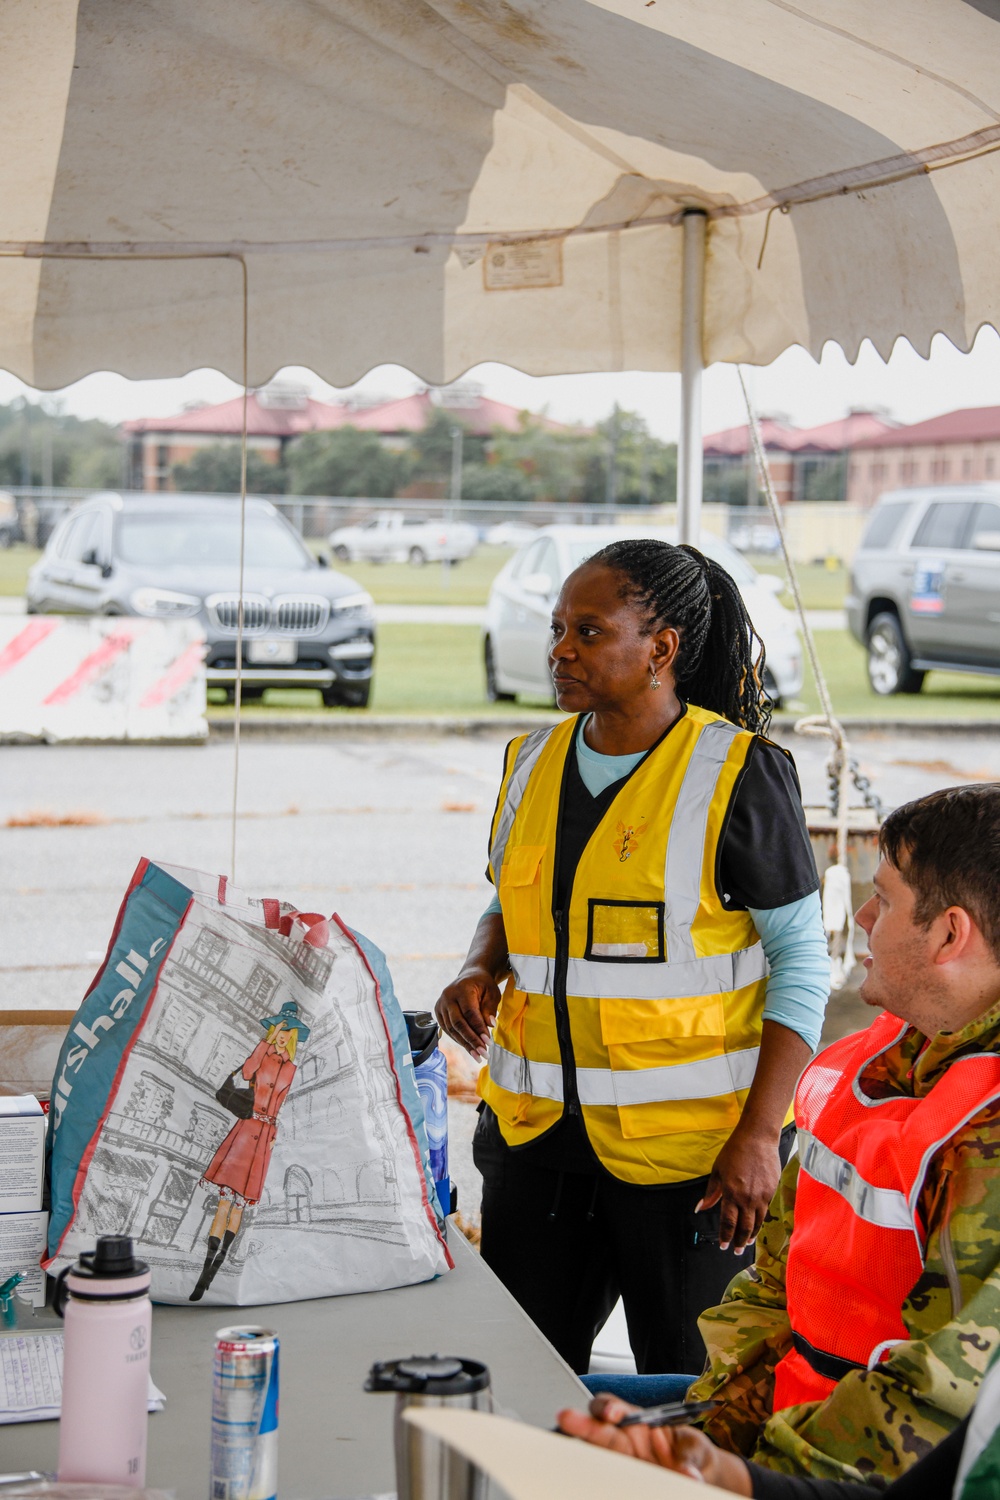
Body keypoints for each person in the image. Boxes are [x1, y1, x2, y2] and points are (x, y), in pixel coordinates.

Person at [435, 539, 830, 1374]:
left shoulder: (738, 774)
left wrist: (761, 1136)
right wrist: (479, 965)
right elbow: (513, 899)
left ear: (662, 648)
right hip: (536, 1147)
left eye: (587, 630)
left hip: (694, 1163)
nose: (560, 651)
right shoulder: (529, 760)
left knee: (693, 1396)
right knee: (523, 1384)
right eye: (556, 630)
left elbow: (802, 961)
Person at [642, 783, 1000, 1485]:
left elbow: (941, 1399)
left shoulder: (983, 1130)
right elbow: (774, 1287)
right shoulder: (863, 1066)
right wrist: (709, 1437)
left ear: (950, 934)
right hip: (774, 1432)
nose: (862, 916)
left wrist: (731, 1477)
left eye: (886, 899)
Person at [190, 999, 309, 1301]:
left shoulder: (292, 1068)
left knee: (240, 1205)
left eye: (288, 1030)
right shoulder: (263, 1056)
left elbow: (285, 1103)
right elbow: (245, 1073)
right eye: (279, 1029)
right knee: (224, 1202)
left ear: (294, 1035)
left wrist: (276, 1134)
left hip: (266, 1136)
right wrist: (264, 1043)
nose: (282, 1034)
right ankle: (205, 1271)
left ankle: (219, 1263)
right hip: (246, 1129)